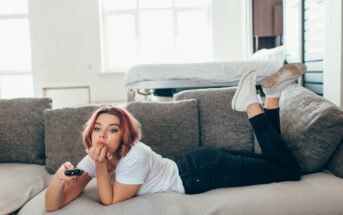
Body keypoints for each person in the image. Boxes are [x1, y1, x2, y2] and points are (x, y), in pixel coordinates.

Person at [45, 63, 307, 211]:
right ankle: (272, 96)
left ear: (123, 134)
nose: (102, 135)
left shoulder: (133, 155)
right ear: (91, 133)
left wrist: (100, 167)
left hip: (201, 174)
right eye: (98, 128)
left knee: (289, 171)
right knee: (274, 161)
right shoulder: (94, 158)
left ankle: (250, 103)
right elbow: (54, 205)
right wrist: (58, 181)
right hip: (198, 164)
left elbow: (110, 200)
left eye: (112, 129)